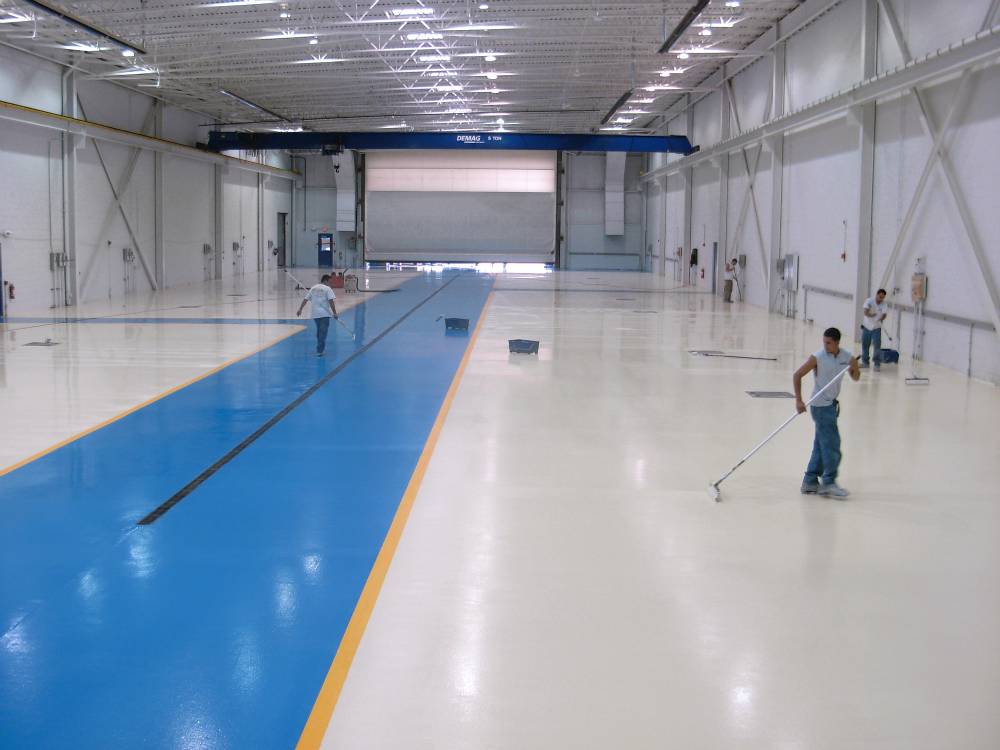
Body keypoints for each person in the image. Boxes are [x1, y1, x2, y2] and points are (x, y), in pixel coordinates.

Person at [793, 327, 860, 498]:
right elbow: (797, 375)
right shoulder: (818, 357)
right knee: (832, 445)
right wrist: (799, 400)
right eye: (824, 342)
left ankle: (810, 481)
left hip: (830, 405)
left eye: (828, 343)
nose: (825, 345)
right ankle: (829, 482)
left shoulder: (846, 357)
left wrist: (855, 367)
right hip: (819, 405)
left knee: (821, 444)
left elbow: (856, 377)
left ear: (837, 343)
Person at [296, 274, 338, 356]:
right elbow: (331, 302)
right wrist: (335, 313)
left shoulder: (313, 288)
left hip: (315, 314)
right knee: (323, 333)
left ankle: (320, 347)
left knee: (320, 332)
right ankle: (320, 351)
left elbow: (306, 299)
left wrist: (300, 309)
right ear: (325, 281)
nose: (330, 283)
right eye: (330, 282)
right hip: (325, 314)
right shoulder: (328, 289)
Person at [860, 288, 888, 370]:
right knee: (865, 345)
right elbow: (865, 312)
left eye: (882, 298)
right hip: (866, 327)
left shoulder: (884, 304)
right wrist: (871, 315)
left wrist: (881, 319)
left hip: (876, 328)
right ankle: (865, 362)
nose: (880, 299)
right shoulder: (869, 301)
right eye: (879, 297)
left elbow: (884, 314)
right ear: (876, 295)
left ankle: (877, 364)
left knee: (877, 346)